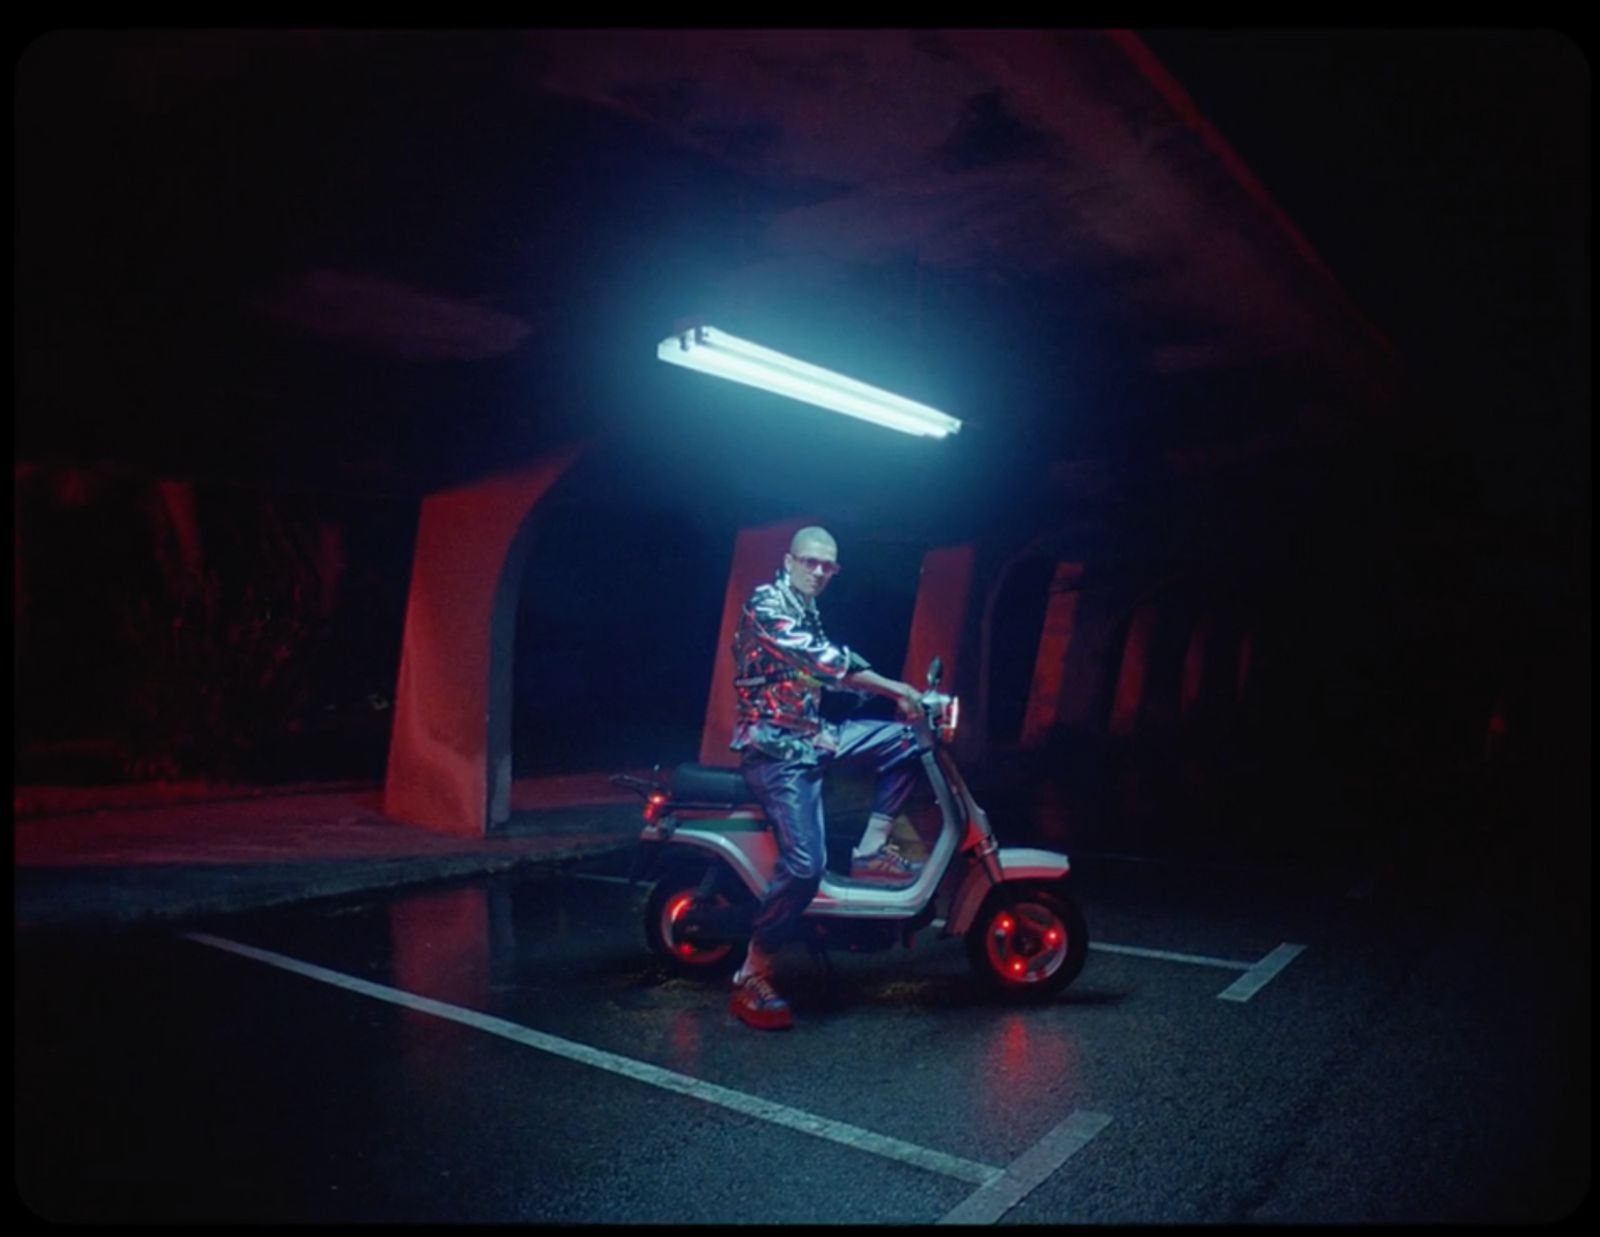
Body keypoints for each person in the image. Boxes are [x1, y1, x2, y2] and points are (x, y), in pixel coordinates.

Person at [726, 526, 927, 1031]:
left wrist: (898, 698)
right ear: (791, 560)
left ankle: (871, 848)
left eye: (828, 566)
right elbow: (823, 662)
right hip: (774, 750)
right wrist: (893, 687)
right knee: (804, 864)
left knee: (909, 742)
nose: (819, 572)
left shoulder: (807, 608)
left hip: (813, 735)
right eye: (811, 562)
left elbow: (829, 664)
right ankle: (754, 968)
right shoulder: (766, 604)